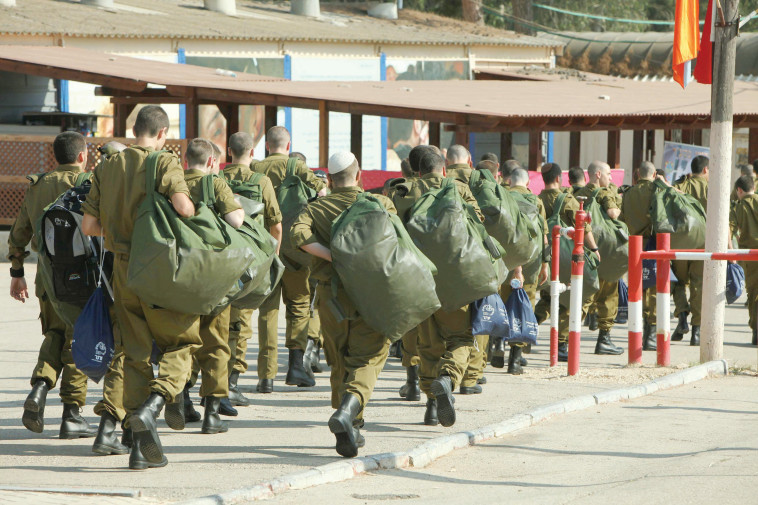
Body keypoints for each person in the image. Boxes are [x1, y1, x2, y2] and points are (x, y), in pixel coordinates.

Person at [81, 105, 201, 470]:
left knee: (133, 353)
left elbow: (89, 226)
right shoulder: (164, 163)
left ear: (135, 130)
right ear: (163, 133)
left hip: (122, 270)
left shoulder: (107, 166)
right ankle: (154, 406)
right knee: (181, 342)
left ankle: (136, 447)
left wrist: (119, 234)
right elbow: (185, 208)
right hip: (158, 270)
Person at [291, 151, 396, 458]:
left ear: (332, 180)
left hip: (331, 298)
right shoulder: (380, 204)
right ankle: (349, 412)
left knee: (339, 358)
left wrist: (332, 255)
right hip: (370, 295)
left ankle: (350, 425)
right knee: (370, 357)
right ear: (358, 173)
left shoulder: (316, 208)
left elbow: (298, 236)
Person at [8, 131, 97, 440]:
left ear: (54, 157)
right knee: (78, 341)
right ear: (83, 156)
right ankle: (72, 414)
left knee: (55, 334)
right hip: (81, 279)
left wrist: (16, 272)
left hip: (45, 277)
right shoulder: (89, 183)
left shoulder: (38, 184)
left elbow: (20, 230)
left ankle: (40, 388)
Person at [408, 152, 484, 427]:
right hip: (456, 282)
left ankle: (430, 406)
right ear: (444, 170)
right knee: (461, 339)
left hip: (418, 280)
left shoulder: (404, 191)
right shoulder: (459, 190)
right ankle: (448, 378)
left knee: (427, 345)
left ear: (419, 172)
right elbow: (479, 223)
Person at [178, 139, 245, 434]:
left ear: (185, 160)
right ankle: (212, 414)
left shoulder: (172, 183)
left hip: (178, 273)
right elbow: (237, 220)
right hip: (214, 275)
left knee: (183, 340)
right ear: (210, 163)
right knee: (216, 343)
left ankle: (182, 401)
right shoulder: (215, 184)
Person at [254, 126, 326, 389]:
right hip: (296, 251)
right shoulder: (297, 166)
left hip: (266, 248)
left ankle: (266, 376)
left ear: (267, 146)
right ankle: (296, 367)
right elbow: (322, 191)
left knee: (267, 310)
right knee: (298, 306)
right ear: (288, 144)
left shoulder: (256, 168)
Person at [223, 132, 283, 398]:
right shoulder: (261, 181)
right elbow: (276, 225)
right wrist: (272, 257)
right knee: (243, 321)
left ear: (228, 151)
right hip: (252, 258)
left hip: (222, 256)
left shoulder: (217, 179)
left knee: (220, 319)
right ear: (253, 152)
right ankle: (232, 382)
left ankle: (216, 377)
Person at [536, 162, 600, 362]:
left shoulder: (537, 199)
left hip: (544, 258)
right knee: (572, 299)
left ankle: (525, 329)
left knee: (547, 298)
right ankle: (562, 344)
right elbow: (583, 227)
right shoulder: (566, 200)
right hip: (565, 258)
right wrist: (595, 249)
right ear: (558, 179)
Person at [498, 167, 549, 374]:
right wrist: (545, 264)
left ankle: (497, 344)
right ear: (528, 183)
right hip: (530, 263)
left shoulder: (501, 197)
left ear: (509, 181)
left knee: (501, 304)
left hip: (503, 261)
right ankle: (515, 359)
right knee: (522, 307)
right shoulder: (535, 201)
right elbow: (544, 237)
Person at [574, 161, 624, 356]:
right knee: (608, 296)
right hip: (603, 251)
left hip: (582, 251)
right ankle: (604, 339)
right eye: (608, 174)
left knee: (584, 296)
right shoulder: (603, 193)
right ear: (597, 175)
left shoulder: (578, 193)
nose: (611, 178)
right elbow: (613, 213)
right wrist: (620, 202)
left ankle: (566, 339)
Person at [620, 161, 659, 351]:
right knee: (653, 287)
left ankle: (638, 330)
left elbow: (621, 219)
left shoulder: (627, 193)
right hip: (653, 244)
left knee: (637, 287)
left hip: (633, 245)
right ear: (654, 174)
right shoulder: (657, 191)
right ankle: (650, 335)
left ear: (637, 175)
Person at [671, 155, 709, 346]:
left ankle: (682, 315)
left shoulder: (681, 185)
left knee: (678, 282)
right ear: (706, 170)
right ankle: (696, 331)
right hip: (703, 244)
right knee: (698, 285)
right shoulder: (711, 187)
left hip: (680, 243)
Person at [729, 175, 758, 346]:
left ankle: (756, 330)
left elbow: (728, 229)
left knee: (754, 293)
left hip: (750, 256)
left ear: (739, 190)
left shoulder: (738, 207)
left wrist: (731, 253)